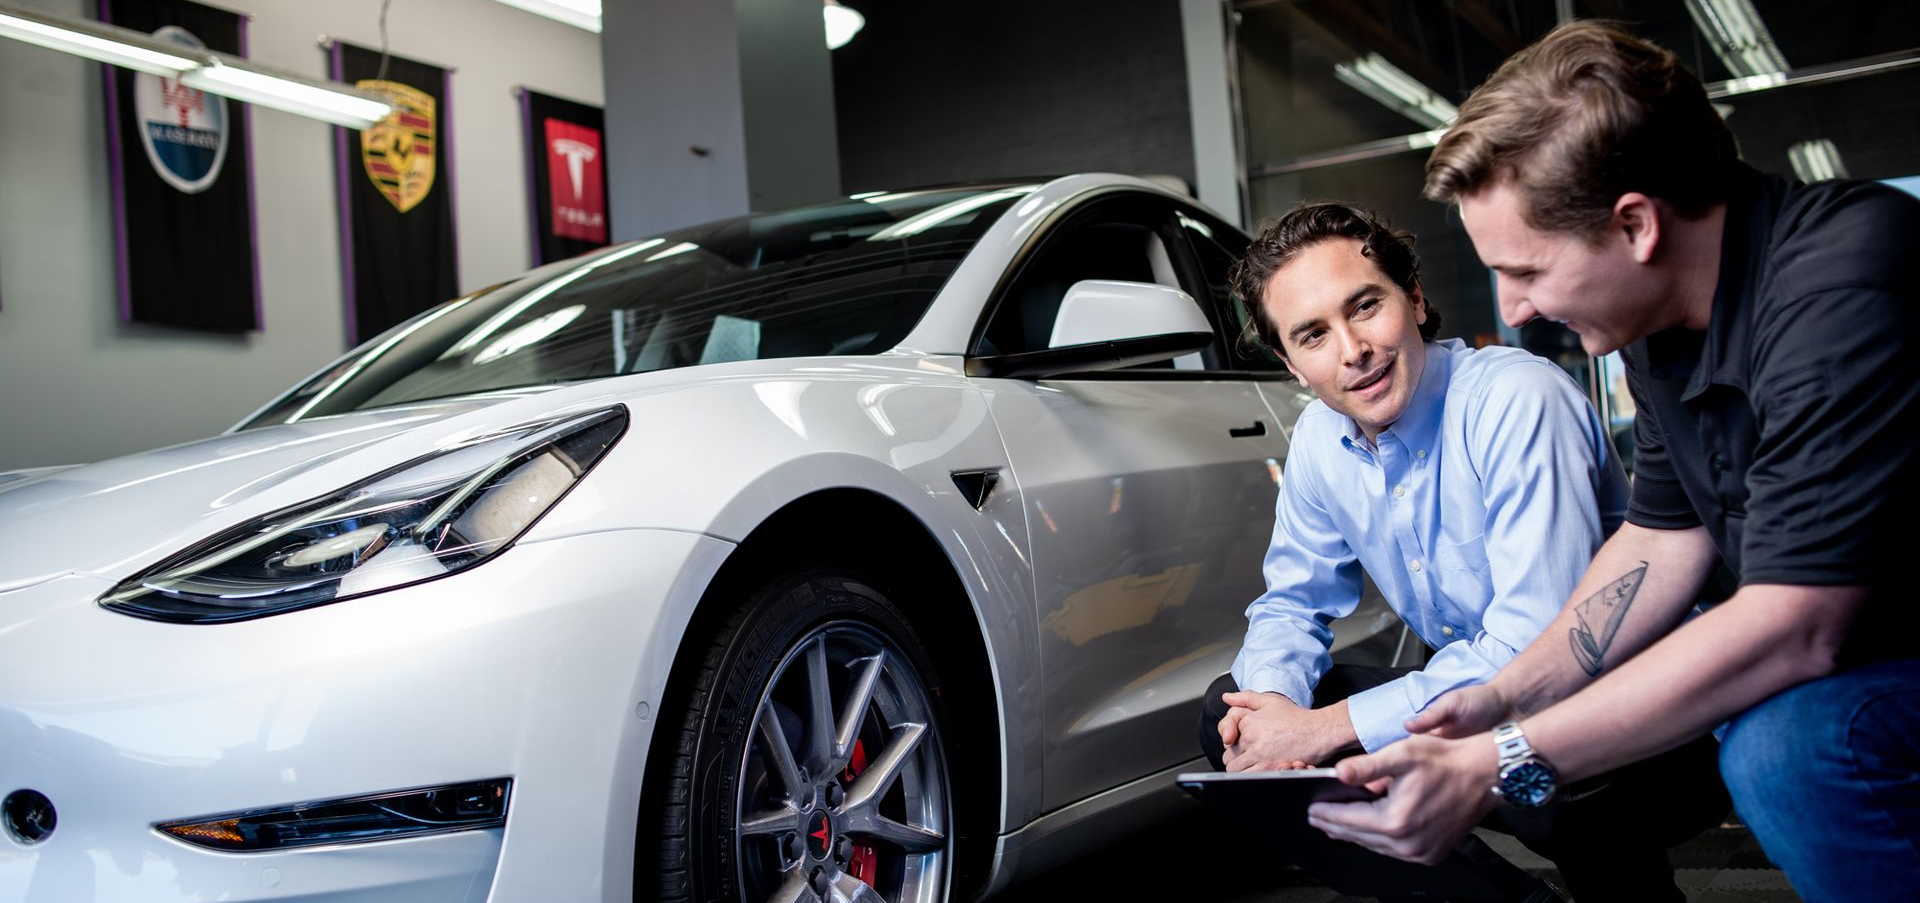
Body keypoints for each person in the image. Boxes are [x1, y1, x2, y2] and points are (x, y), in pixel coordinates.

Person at [1305, 22, 1920, 903]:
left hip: (1869, 658)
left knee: (1790, 744)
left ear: (1634, 224)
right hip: (1859, 647)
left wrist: (1498, 760)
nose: (1513, 312)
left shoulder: (1840, 295)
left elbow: (1796, 624)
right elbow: (1656, 545)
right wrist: (1501, 696)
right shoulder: (1661, 324)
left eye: (1525, 271)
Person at [1198, 202, 1726, 901]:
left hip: (1637, 718)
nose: (1352, 348)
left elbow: (1538, 648)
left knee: (1544, 760)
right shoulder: (1322, 443)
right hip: (1478, 700)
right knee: (1228, 717)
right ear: (1291, 364)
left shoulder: (1517, 399)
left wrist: (1325, 728)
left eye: (1365, 306)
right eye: (1313, 335)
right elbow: (1293, 601)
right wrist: (1273, 708)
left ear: (1413, 298)